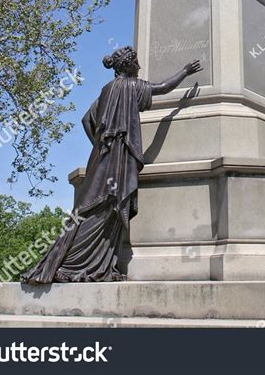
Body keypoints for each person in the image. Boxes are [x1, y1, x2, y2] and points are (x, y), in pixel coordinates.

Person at [21, 46, 201, 284]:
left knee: (91, 208)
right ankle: (74, 264)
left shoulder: (107, 90)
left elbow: (87, 119)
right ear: (127, 65)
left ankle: (72, 261)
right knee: (105, 207)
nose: (139, 67)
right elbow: (163, 88)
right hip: (117, 160)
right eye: (136, 63)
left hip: (101, 157)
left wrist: (100, 144)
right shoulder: (130, 86)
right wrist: (185, 71)